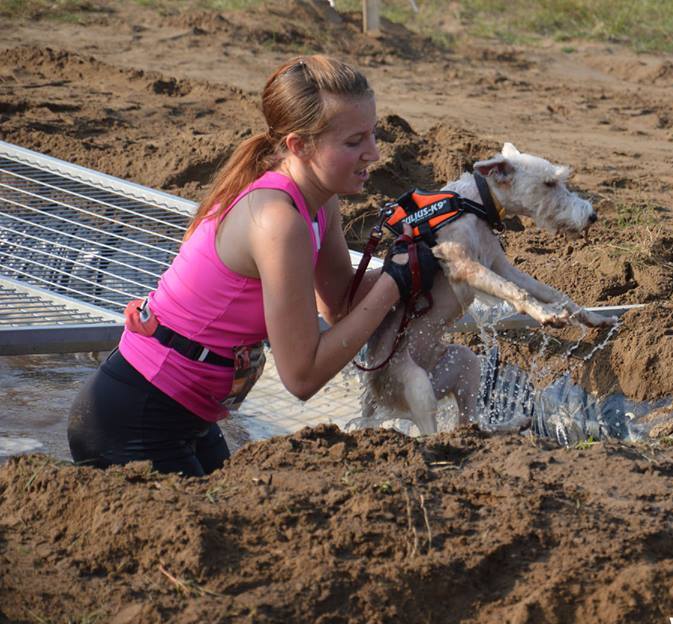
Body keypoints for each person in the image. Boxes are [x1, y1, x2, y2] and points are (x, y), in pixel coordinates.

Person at [67, 55, 438, 476]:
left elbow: (339, 303)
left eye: (373, 134)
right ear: (299, 145)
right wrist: (394, 281)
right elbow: (302, 377)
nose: (373, 153)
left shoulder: (320, 201)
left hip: (187, 413)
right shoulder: (278, 221)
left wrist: (422, 261)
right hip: (134, 417)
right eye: (354, 142)